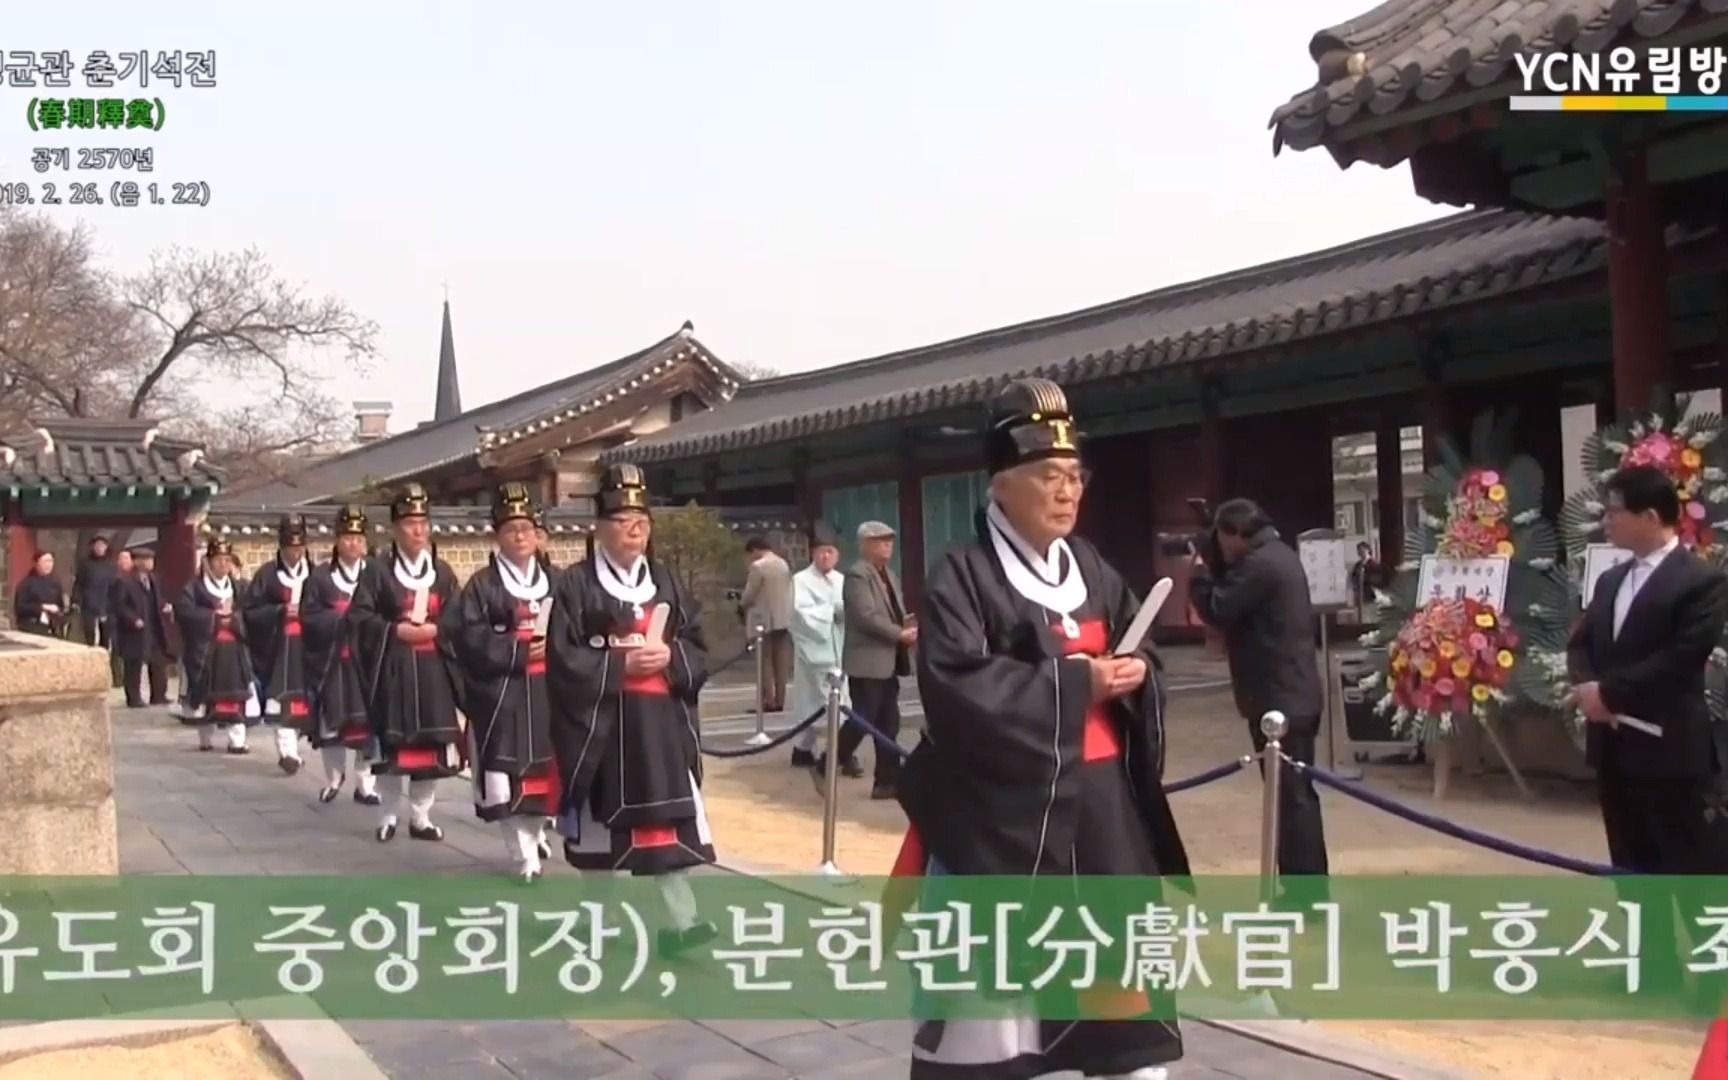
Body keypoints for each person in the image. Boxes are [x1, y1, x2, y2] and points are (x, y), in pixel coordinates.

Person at [892, 377, 1190, 1080]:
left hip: (1102, 816)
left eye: (1075, 477)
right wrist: (1078, 682)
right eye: (1049, 476)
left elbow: (1133, 647)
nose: (1068, 492)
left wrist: (1137, 672)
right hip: (1007, 828)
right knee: (998, 1020)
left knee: (1123, 1016)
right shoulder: (960, 577)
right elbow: (958, 692)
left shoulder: (1091, 566)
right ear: (1000, 483)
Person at [547, 463, 717, 955]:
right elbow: (563, 657)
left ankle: (682, 923)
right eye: (623, 520)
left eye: (642, 519)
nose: (635, 529)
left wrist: (671, 657)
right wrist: (620, 664)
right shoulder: (576, 585)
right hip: (604, 727)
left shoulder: (664, 579)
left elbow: (697, 641)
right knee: (601, 839)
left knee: (663, 831)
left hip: (660, 728)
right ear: (600, 528)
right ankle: (596, 921)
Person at [1567, 464, 1728, 873]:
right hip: (1613, 754)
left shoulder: (1700, 581)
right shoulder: (1610, 579)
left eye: (1614, 511)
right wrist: (1586, 685)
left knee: (1694, 877)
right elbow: (1582, 642)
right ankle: (1648, 940)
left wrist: (1610, 693)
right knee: (1633, 876)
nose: (1606, 521)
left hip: (1670, 754)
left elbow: (1681, 657)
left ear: (1650, 517)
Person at [1189, 497, 1329, 878]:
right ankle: (1301, 889)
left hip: (1280, 700)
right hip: (1290, 695)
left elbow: (1218, 608)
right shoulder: (1276, 555)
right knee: (1290, 801)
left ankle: (1306, 897)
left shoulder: (1259, 565)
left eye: (1220, 537)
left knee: (1293, 803)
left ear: (1234, 534)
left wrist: (1200, 570)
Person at [447, 482, 559, 883]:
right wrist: (515, 650)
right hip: (503, 694)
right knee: (507, 777)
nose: (520, 535)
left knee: (548, 777)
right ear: (498, 535)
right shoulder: (481, 585)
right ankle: (522, 854)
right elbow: (468, 636)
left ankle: (536, 835)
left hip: (550, 691)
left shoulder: (557, 581)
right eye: (511, 528)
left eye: (526, 527)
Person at [350, 483, 464, 843]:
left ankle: (421, 815)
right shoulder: (377, 571)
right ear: (396, 527)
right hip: (394, 669)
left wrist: (436, 629)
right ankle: (387, 815)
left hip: (433, 670)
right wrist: (395, 630)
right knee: (392, 747)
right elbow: (359, 618)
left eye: (423, 522)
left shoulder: (442, 572)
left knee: (429, 749)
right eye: (410, 523)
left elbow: (459, 617)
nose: (418, 530)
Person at [823, 520, 913, 799]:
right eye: (880, 540)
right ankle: (827, 761)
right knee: (864, 717)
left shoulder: (888, 574)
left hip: (889, 659)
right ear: (865, 545)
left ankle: (887, 781)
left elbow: (893, 611)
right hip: (867, 660)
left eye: (890, 539)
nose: (887, 544)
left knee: (889, 722)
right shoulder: (858, 575)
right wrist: (900, 633)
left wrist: (909, 624)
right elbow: (865, 616)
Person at [301, 504, 381, 806]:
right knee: (333, 724)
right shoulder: (320, 578)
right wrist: (340, 618)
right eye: (347, 537)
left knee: (366, 725)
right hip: (332, 661)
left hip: (365, 663)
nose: (354, 543)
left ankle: (366, 782)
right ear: (337, 540)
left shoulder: (375, 573)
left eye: (359, 537)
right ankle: (334, 779)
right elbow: (309, 617)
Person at [243, 514, 315, 775]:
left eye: (299, 548)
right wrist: (281, 611)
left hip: (306, 646)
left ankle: (293, 748)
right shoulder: (267, 575)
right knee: (282, 698)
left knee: (302, 700)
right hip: (277, 647)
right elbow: (251, 611)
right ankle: (287, 751)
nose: (295, 553)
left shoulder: (315, 573)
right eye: (290, 548)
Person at [174, 539, 260, 752]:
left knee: (237, 694)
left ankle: (237, 740)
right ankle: (206, 737)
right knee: (206, 695)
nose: (223, 564)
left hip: (235, 650)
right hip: (207, 650)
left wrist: (234, 619)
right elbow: (184, 612)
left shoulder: (240, 588)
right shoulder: (194, 588)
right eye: (219, 560)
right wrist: (213, 617)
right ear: (208, 562)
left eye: (227, 560)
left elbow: (252, 613)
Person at [788, 521, 849, 768]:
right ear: (813, 553)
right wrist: (832, 612)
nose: (826, 556)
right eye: (821, 551)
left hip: (840, 648)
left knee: (839, 701)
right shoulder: (800, 580)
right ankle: (827, 751)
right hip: (813, 650)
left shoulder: (842, 580)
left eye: (830, 551)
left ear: (837, 554)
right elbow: (799, 614)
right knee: (812, 702)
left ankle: (829, 751)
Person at [114, 544, 172, 708]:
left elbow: (156, 598)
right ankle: (134, 697)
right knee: (134, 663)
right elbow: (119, 605)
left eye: (151, 560)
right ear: (137, 562)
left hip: (153, 624)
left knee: (158, 660)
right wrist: (133, 619)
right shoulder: (125, 581)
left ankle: (159, 694)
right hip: (135, 628)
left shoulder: (153, 579)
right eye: (146, 560)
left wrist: (164, 605)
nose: (150, 563)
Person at [741, 536, 794, 713]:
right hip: (783, 619)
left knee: (764, 663)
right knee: (781, 663)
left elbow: (749, 595)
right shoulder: (783, 564)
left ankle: (768, 701)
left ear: (754, 550)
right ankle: (780, 699)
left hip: (762, 620)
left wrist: (741, 605)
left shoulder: (758, 566)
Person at [72, 535, 117, 652]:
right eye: (97, 545)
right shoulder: (85, 564)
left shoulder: (111, 565)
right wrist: (76, 600)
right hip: (89, 604)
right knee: (89, 635)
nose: (99, 548)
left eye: (102, 545)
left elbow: (115, 586)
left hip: (107, 605)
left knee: (106, 637)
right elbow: (79, 584)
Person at [14, 551, 66, 637]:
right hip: (32, 626)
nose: (49, 565)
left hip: (53, 627)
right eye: (45, 561)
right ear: (36, 563)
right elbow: (20, 607)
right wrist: (42, 607)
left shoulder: (55, 583)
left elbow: (60, 605)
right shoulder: (26, 584)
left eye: (51, 561)